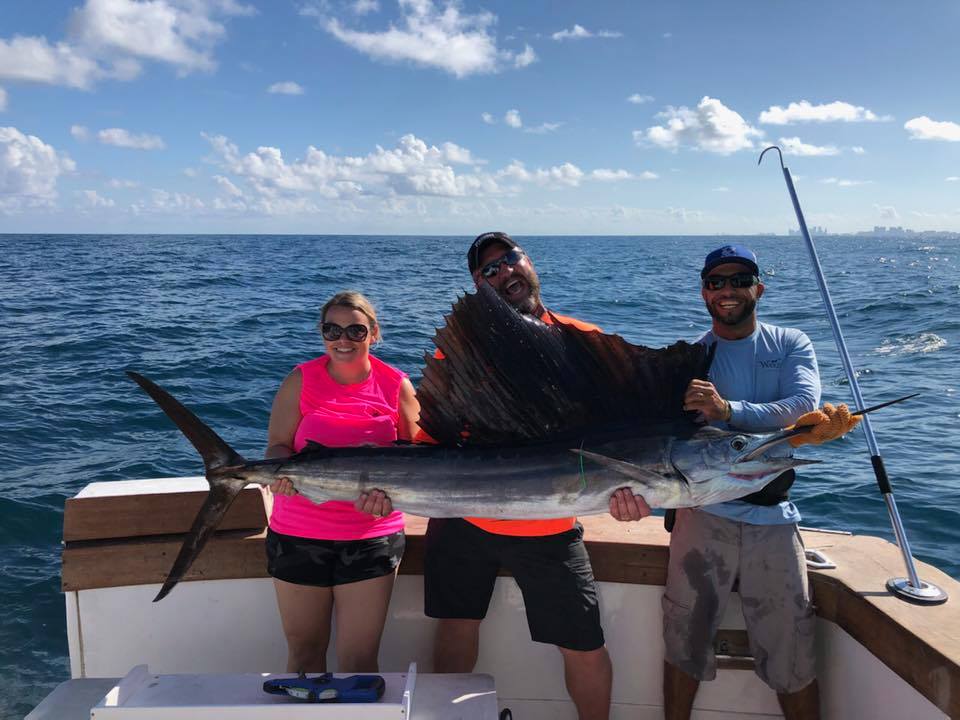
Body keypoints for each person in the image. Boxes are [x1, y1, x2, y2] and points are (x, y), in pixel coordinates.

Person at [612, 244, 858, 720]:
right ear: (703, 292)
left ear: (758, 288)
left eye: (739, 280)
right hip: (702, 514)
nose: (727, 290)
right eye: (716, 282)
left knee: (792, 645)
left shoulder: (790, 343)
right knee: (684, 640)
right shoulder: (693, 358)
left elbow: (802, 404)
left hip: (773, 517)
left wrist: (730, 413)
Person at [423, 232, 613, 720]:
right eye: (490, 270)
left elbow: (615, 442)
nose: (505, 271)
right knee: (455, 629)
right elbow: (430, 445)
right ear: (478, 285)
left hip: (551, 525)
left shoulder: (582, 342)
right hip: (464, 520)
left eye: (510, 259)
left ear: (530, 262)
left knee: (584, 643)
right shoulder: (463, 352)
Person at [265, 290, 420, 673]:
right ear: (321, 333)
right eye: (332, 330)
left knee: (359, 660)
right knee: (304, 654)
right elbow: (277, 448)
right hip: (298, 534)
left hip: (371, 537)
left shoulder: (396, 385)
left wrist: (393, 497)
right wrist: (281, 476)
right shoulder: (300, 380)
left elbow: (419, 461)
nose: (343, 340)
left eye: (355, 330)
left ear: (374, 333)